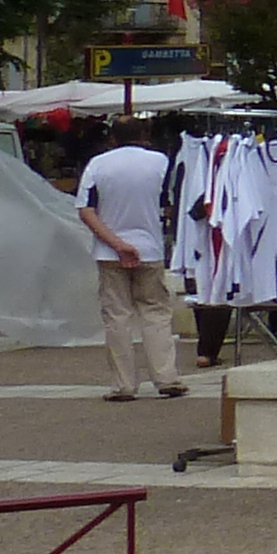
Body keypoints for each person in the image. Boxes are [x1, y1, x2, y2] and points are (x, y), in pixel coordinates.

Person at [74, 123, 189, 401]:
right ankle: (166, 377)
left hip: (109, 252)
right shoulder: (161, 162)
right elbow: (171, 203)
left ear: (112, 138)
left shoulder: (98, 165)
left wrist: (116, 244)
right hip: (150, 248)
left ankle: (124, 384)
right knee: (156, 313)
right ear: (145, 135)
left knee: (117, 317)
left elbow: (85, 210)